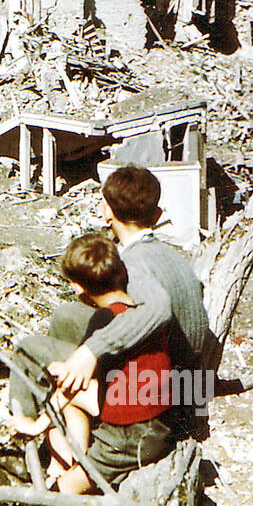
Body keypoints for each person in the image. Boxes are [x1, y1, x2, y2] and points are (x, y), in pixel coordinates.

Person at [9, 232, 174, 506]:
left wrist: (36, 425)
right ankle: (72, 459)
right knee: (72, 400)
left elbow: (72, 387)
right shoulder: (139, 313)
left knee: (63, 491)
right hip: (156, 417)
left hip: (131, 437)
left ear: (79, 289)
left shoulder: (102, 321)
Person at [51, 165, 217, 436]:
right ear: (157, 215)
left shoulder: (134, 263)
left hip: (163, 388)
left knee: (65, 320)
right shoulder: (169, 255)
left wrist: (92, 350)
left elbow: (158, 308)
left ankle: (75, 424)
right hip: (189, 374)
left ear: (107, 212)